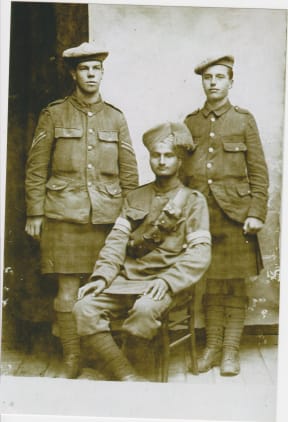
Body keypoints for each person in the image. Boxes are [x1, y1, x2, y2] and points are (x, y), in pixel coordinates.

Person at [25, 42, 139, 378]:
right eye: (84, 69)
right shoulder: (54, 113)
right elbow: (36, 167)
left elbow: (129, 172)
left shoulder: (115, 117)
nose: (91, 75)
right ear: (74, 74)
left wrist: (130, 218)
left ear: (102, 73)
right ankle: (72, 358)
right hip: (63, 216)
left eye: (96, 69)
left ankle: (100, 355)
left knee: (103, 288)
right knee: (67, 291)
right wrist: (35, 213)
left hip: (106, 218)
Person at [73, 122, 211, 381]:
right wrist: (102, 277)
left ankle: (124, 375)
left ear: (179, 160)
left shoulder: (193, 201)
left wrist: (167, 281)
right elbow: (115, 242)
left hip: (166, 283)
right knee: (84, 307)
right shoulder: (135, 198)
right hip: (126, 280)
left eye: (168, 155)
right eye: (156, 155)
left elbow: (200, 253)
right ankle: (127, 375)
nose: (161, 161)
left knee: (145, 309)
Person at [181, 54, 269, 376]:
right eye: (208, 78)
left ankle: (230, 351)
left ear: (231, 82)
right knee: (210, 286)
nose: (213, 82)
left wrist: (256, 211)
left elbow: (259, 172)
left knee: (235, 286)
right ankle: (212, 348)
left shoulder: (244, 120)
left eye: (220, 77)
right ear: (202, 82)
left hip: (236, 216)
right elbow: (182, 173)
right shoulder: (191, 122)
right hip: (202, 216)